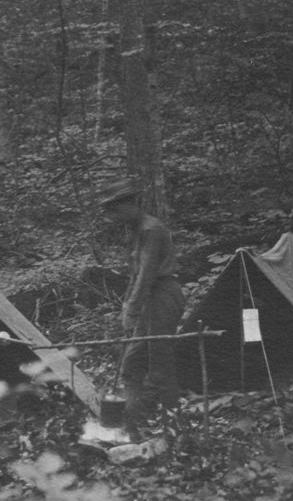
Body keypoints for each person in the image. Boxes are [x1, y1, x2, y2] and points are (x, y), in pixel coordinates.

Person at [97, 178, 185, 440]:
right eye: (110, 211)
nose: (113, 217)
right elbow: (135, 275)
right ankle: (130, 423)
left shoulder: (152, 230)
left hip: (163, 296)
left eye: (116, 210)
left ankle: (174, 426)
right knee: (132, 364)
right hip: (148, 298)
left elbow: (147, 274)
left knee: (160, 367)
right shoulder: (136, 231)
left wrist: (133, 308)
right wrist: (127, 304)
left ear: (130, 204)